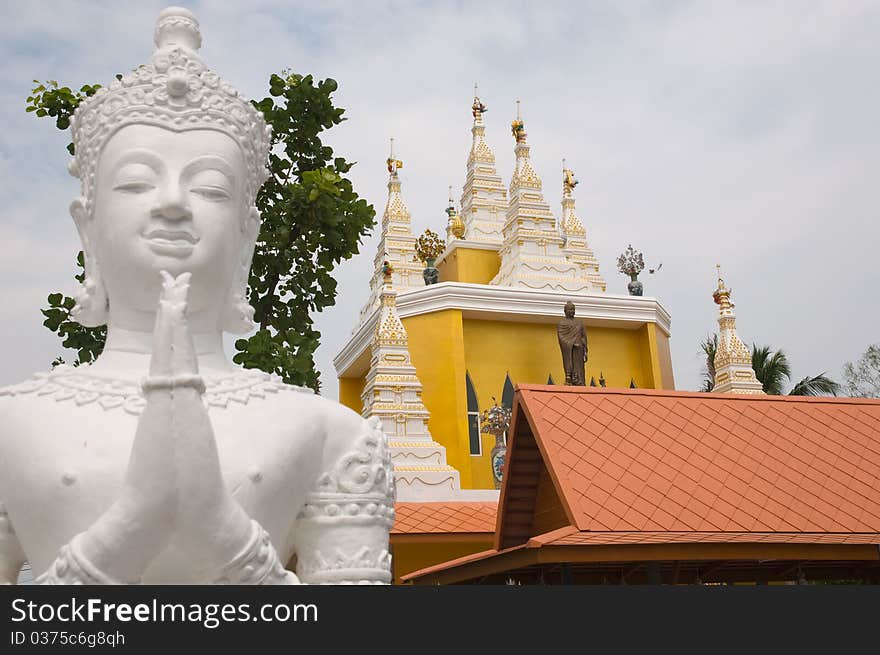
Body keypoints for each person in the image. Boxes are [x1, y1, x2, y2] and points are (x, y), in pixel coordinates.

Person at [0, 7, 394, 585]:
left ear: (245, 233)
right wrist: (126, 531)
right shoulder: (12, 422)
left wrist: (224, 536)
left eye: (209, 186)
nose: (173, 203)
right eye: (136, 181)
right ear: (87, 226)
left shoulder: (328, 433)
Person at [557, 301, 587, 386]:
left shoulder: (579, 323)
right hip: (570, 349)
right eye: (570, 309)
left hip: (579, 350)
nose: (572, 311)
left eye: (573, 309)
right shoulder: (562, 323)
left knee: (579, 368)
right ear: (565, 311)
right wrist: (572, 343)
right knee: (570, 364)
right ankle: (570, 378)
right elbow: (561, 337)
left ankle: (580, 381)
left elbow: (583, 336)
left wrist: (584, 348)